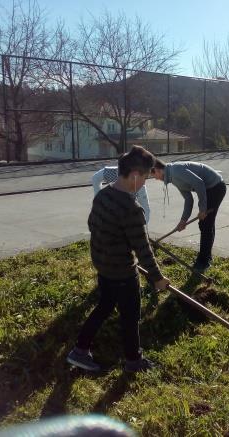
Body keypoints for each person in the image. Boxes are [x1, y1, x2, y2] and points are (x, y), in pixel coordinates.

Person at [67, 146, 170, 373]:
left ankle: (79, 351)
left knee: (103, 307)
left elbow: (92, 226)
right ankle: (134, 361)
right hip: (122, 272)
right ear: (134, 176)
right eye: (145, 177)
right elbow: (143, 250)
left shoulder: (103, 195)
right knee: (131, 316)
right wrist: (158, 278)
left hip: (103, 266)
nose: (145, 183)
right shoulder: (131, 209)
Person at [150, 159, 226, 273]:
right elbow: (188, 199)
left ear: (157, 169)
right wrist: (183, 220)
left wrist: (202, 209)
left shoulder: (176, 171)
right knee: (207, 224)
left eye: (154, 175)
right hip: (209, 189)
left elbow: (199, 183)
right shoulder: (172, 176)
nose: (155, 178)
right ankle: (207, 256)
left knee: (205, 224)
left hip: (215, 187)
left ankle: (203, 262)